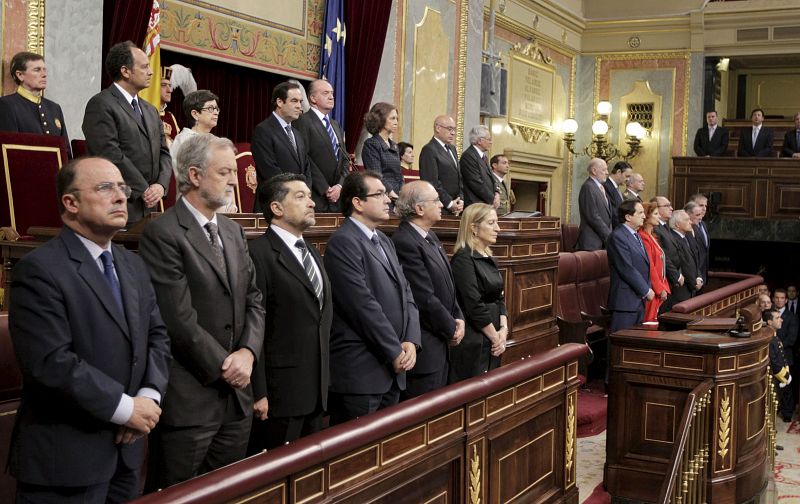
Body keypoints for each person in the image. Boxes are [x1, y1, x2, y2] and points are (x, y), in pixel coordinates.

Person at [8, 157, 171, 502]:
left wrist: (148, 397)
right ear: (70, 203)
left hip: (127, 455)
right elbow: (51, 363)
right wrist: (125, 409)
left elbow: (157, 336)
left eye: (123, 189)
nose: (120, 197)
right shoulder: (39, 270)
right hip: (66, 462)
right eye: (105, 188)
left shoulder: (132, 264)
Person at [139, 134, 265, 489]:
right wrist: (228, 366)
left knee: (228, 493)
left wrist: (248, 352)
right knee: (179, 494)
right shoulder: (163, 232)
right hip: (192, 397)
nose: (233, 180)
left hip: (237, 399)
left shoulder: (233, 231)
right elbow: (178, 319)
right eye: (224, 171)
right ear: (194, 175)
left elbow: (254, 299)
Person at [323, 171, 421, 424]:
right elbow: (361, 306)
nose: (388, 199)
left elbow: (406, 292)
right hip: (363, 372)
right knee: (355, 458)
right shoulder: (343, 242)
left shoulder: (384, 241)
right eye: (379, 194)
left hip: (393, 367)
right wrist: (393, 350)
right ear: (357, 203)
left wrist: (410, 340)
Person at [247, 173, 331, 450]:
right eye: (300, 196)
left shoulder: (313, 253)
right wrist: (258, 392)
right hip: (280, 395)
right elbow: (255, 324)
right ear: (276, 208)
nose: (311, 203)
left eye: (310, 196)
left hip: (316, 392)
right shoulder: (259, 253)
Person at [83, 40, 171, 225]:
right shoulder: (101, 104)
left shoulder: (150, 110)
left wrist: (160, 186)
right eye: (144, 66)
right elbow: (109, 153)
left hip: (150, 207)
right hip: (119, 204)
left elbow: (164, 152)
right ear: (125, 71)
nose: (151, 71)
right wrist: (143, 189)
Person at [392, 181, 465, 397]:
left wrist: (458, 317)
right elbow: (423, 297)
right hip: (427, 348)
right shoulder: (405, 241)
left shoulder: (429, 236)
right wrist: (451, 327)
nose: (442, 204)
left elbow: (448, 285)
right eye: (435, 200)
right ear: (419, 209)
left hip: (442, 344)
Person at [449, 203, 508, 382]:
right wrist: (495, 337)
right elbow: (473, 304)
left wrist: (504, 330)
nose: (497, 228)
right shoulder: (463, 258)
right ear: (474, 228)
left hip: (494, 337)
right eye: (491, 223)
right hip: (475, 339)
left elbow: (499, 297)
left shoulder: (488, 257)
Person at [251, 81, 313, 212]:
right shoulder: (263, 130)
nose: (299, 107)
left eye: (300, 102)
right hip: (274, 205)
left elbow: (306, 168)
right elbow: (270, 170)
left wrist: (304, 194)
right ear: (279, 102)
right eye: (294, 101)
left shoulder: (297, 133)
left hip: (298, 205)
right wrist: (296, 193)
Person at [0, 51, 71, 156]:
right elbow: (9, 150)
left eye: (44, 70)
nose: (44, 74)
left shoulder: (54, 108)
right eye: (37, 70)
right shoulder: (7, 105)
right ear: (20, 75)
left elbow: (66, 151)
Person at [293, 79, 349, 213]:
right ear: (313, 98)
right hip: (316, 195)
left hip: (338, 199)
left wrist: (340, 186)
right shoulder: (302, 122)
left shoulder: (335, 125)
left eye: (332, 93)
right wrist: (325, 188)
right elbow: (304, 158)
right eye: (325, 93)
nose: (331, 96)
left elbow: (345, 159)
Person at [607, 200, 653, 334]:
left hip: (638, 300)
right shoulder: (618, 236)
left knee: (633, 343)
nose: (644, 216)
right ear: (628, 217)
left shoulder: (636, 235)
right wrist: (646, 290)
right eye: (640, 213)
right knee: (620, 343)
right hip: (625, 302)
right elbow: (626, 268)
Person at [419, 115, 464, 215]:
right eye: (449, 129)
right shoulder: (429, 150)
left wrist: (460, 199)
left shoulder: (452, 148)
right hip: (440, 206)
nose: (453, 133)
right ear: (438, 128)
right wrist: (449, 203)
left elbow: (458, 176)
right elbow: (431, 182)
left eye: (454, 129)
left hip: (457, 205)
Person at [361, 102, 404, 203]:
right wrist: (392, 194)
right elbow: (376, 175)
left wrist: (402, 193)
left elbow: (399, 174)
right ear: (380, 119)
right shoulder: (371, 144)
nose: (396, 122)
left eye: (397, 118)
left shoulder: (394, 145)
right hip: (382, 197)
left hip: (397, 198)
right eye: (392, 118)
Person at [661, 210, 701, 310]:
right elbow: (684, 264)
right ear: (678, 224)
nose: (690, 222)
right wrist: (694, 283)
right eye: (687, 220)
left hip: (690, 288)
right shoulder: (674, 239)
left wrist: (699, 277)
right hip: (681, 290)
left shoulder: (687, 237)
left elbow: (694, 260)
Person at [638, 202, 670, 321]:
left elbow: (661, 264)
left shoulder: (652, 236)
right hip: (651, 288)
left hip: (659, 288)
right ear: (647, 216)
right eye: (655, 214)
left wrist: (664, 286)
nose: (659, 216)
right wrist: (659, 288)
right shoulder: (643, 237)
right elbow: (650, 266)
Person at [576, 158, 612, 251]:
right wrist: (609, 235)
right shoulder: (588, 187)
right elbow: (592, 216)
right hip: (591, 242)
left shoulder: (601, 187)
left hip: (602, 241)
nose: (607, 172)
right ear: (594, 171)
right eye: (604, 170)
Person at [764, 308, 793, 422]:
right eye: (777, 318)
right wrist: (785, 376)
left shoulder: (774, 335)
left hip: (780, 376)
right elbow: (774, 362)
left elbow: (781, 357)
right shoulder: (769, 338)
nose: (781, 320)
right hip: (775, 377)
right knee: (772, 404)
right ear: (770, 322)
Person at [460, 125, 499, 209]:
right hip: (475, 206)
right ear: (480, 141)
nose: (491, 142)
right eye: (489, 139)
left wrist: (497, 192)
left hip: (485, 205)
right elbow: (476, 183)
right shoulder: (469, 156)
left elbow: (492, 178)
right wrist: (492, 199)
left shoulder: (483, 157)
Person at [604, 161, 630, 228]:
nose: (628, 179)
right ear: (618, 172)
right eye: (627, 176)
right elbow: (613, 213)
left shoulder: (616, 188)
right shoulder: (606, 186)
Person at [159, 66, 180, 147]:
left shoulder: (170, 116)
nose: (170, 90)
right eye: (163, 85)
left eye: (170, 85)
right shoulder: (143, 113)